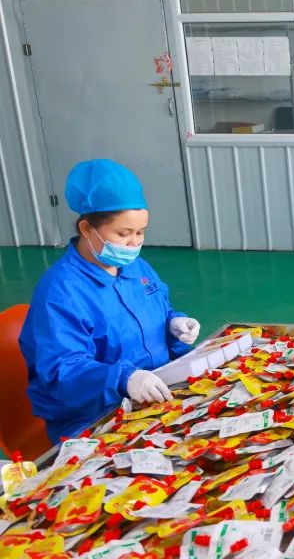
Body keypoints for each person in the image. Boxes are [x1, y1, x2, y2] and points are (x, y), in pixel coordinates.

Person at [19, 159, 201, 442]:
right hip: (95, 418)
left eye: (140, 232)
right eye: (123, 234)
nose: (134, 243)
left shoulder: (136, 267)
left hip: (154, 395)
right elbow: (62, 371)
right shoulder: (61, 292)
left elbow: (158, 312)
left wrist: (174, 325)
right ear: (86, 228)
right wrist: (123, 379)